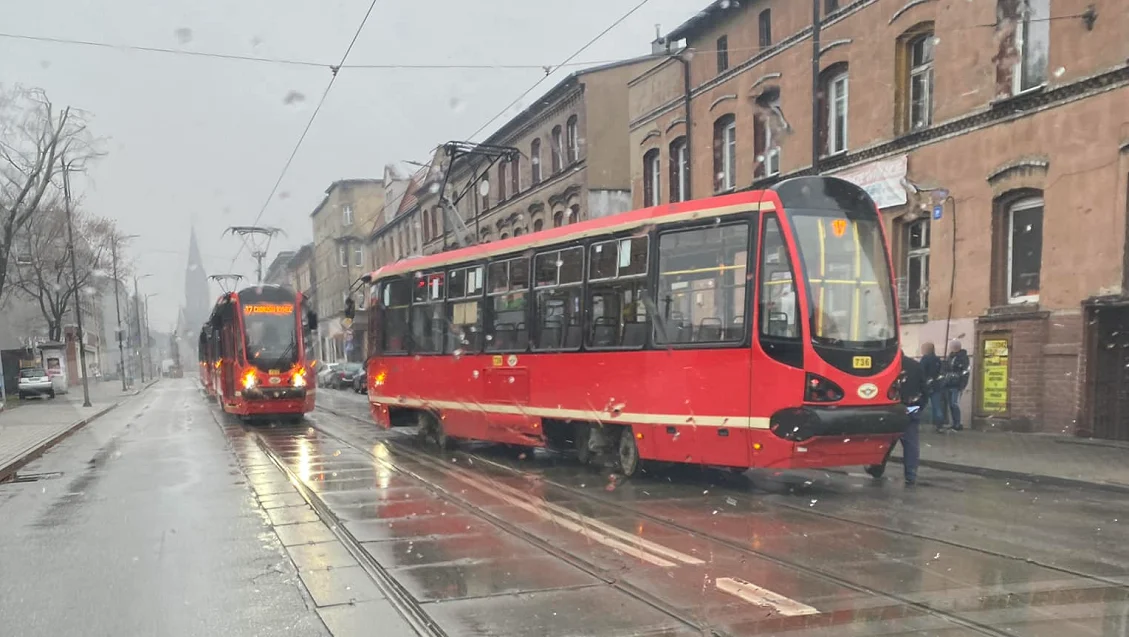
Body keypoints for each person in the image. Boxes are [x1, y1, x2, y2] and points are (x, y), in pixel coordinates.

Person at [866, 350, 928, 485]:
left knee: (885, 441)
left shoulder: (885, 366)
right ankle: (911, 474)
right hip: (911, 408)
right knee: (911, 443)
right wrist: (919, 407)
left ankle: (877, 468)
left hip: (891, 409)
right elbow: (924, 389)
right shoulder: (915, 365)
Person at [942, 339, 971, 431]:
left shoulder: (963, 358)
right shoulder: (950, 357)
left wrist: (962, 385)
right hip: (948, 384)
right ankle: (954, 423)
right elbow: (946, 369)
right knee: (951, 405)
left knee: (954, 404)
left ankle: (957, 424)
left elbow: (965, 372)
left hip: (957, 385)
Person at [919, 341, 945, 430]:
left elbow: (921, 372)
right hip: (936, 386)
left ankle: (917, 424)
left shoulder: (924, 359)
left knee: (920, 406)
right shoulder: (938, 360)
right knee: (937, 407)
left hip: (926, 386)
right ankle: (939, 426)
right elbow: (941, 373)